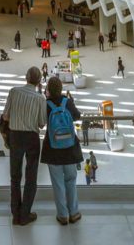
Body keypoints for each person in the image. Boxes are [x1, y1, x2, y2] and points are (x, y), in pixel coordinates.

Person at [2, 67, 47, 226]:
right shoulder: (40, 98)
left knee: (15, 176)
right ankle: (25, 214)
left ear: (25, 77)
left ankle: (15, 213)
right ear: (39, 81)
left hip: (15, 136)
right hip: (31, 138)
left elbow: (6, 115)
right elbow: (42, 123)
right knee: (31, 176)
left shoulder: (13, 92)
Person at [40, 75, 83, 227]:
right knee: (71, 180)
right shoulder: (67, 102)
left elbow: (40, 123)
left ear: (48, 90)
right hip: (70, 149)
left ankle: (62, 215)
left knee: (58, 184)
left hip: (53, 150)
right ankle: (74, 213)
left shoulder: (46, 104)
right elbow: (77, 116)